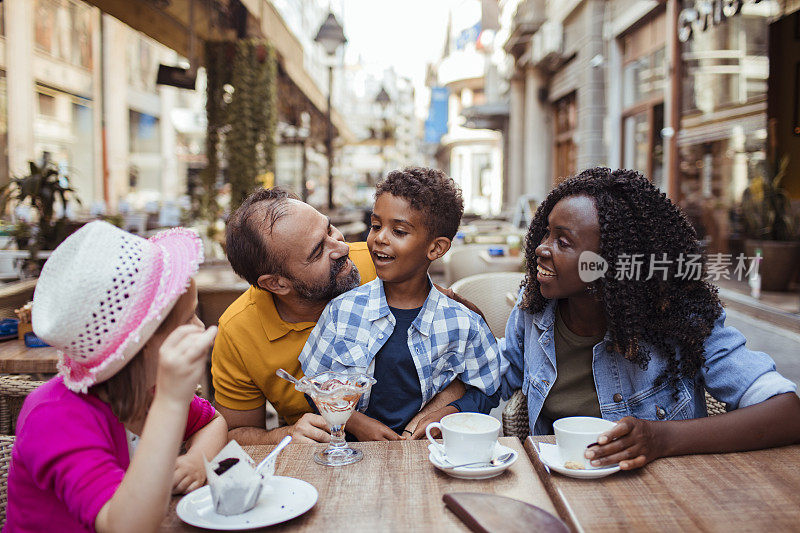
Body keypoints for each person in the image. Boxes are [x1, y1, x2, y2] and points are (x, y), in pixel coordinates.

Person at [501, 167, 800, 470]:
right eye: (546, 232)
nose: (540, 247)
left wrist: (662, 438)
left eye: (563, 242)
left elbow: (786, 412)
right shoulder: (533, 309)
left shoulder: (679, 317)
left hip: (667, 492)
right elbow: (494, 375)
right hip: (565, 484)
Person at [6, 221, 226, 532]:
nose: (201, 328)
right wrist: (171, 402)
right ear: (142, 346)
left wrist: (194, 461)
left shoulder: (145, 391)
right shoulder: (54, 417)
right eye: (190, 317)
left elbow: (213, 421)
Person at [213, 188, 467, 445]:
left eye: (330, 229)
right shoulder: (238, 332)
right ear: (277, 284)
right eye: (317, 251)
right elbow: (232, 435)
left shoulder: (381, 264)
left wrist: (420, 424)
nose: (342, 247)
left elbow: (464, 355)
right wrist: (286, 434)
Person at [300, 167, 503, 440]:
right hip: (353, 456)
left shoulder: (462, 322)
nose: (380, 238)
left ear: (435, 248)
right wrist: (357, 423)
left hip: (430, 454)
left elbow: (487, 389)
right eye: (375, 226)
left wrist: (446, 413)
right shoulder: (342, 311)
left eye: (398, 230)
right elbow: (316, 385)